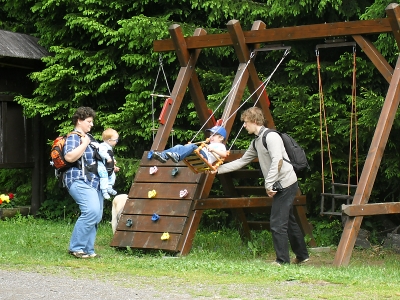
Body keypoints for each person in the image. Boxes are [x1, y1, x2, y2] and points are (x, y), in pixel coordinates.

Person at [215, 107, 309, 266]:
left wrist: (269, 183)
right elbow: (242, 161)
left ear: (254, 121)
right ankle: (302, 256)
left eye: (245, 122)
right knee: (289, 221)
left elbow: (277, 161)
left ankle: (282, 261)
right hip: (279, 184)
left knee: (277, 222)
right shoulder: (256, 141)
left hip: (286, 183)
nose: (244, 126)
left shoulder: (271, 137)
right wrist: (217, 170)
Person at [63, 106, 103, 259]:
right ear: (79, 121)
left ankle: (88, 249)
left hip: (93, 181)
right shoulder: (75, 137)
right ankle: (76, 248)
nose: (91, 124)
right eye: (89, 121)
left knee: (96, 215)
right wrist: (84, 143)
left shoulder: (89, 138)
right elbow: (69, 157)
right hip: (78, 179)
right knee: (91, 211)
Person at [151, 126, 228, 164]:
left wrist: (213, 150)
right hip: (200, 154)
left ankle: (178, 156)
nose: (211, 137)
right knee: (179, 146)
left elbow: (224, 154)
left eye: (213, 135)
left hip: (205, 158)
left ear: (221, 138)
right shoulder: (211, 144)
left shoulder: (221, 146)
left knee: (193, 146)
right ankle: (163, 156)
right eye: (210, 135)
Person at [96, 128, 119, 199]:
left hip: (107, 166)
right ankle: (104, 191)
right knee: (104, 177)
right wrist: (108, 158)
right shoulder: (102, 146)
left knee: (112, 176)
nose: (117, 142)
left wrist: (113, 162)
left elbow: (111, 156)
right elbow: (101, 152)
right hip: (101, 166)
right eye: (116, 140)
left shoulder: (109, 147)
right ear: (109, 141)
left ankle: (109, 187)